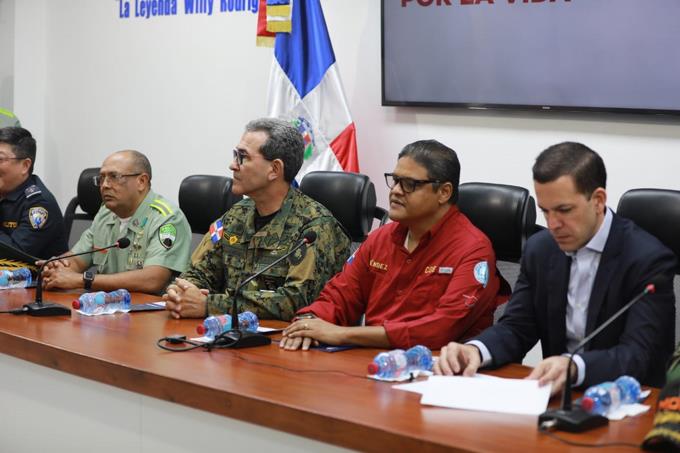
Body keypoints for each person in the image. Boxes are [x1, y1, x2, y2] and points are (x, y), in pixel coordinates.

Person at [435, 142, 677, 394]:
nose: (552, 224)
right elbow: (517, 327)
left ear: (598, 200)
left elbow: (639, 355)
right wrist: (475, 350)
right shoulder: (541, 249)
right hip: (558, 397)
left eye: (564, 210)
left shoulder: (647, 259)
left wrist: (575, 367)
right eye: (545, 212)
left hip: (630, 399)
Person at [280, 140, 507, 351]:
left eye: (409, 184)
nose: (396, 190)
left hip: (438, 368)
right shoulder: (382, 238)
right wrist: (309, 321)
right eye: (395, 180)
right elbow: (339, 295)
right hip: (371, 361)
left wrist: (342, 334)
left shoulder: (472, 249)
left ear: (444, 192)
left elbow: (440, 328)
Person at [163, 118, 351, 321]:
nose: (233, 165)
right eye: (235, 155)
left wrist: (211, 306)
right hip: (226, 333)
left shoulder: (314, 227)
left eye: (242, 157)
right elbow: (198, 272)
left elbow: (296, 301)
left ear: (274, 169)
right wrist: (181, 292)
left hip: (285, 337)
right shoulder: (236, 215)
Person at [41, 150, 191, 293]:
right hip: (105, 305)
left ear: (141, 181)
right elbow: (77, 260)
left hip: (148, 307)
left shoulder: (167, 218)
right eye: (101, 178)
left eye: (114, 177)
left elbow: (153, 279)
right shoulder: (106, 213)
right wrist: (57, 269)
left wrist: (84, 280)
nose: (105, 185)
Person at [0, 127, 68, 259]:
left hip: (32, 272)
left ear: (25, 165)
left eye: (0, 159)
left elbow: (15, 254)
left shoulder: (39, 204)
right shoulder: (5, 192)